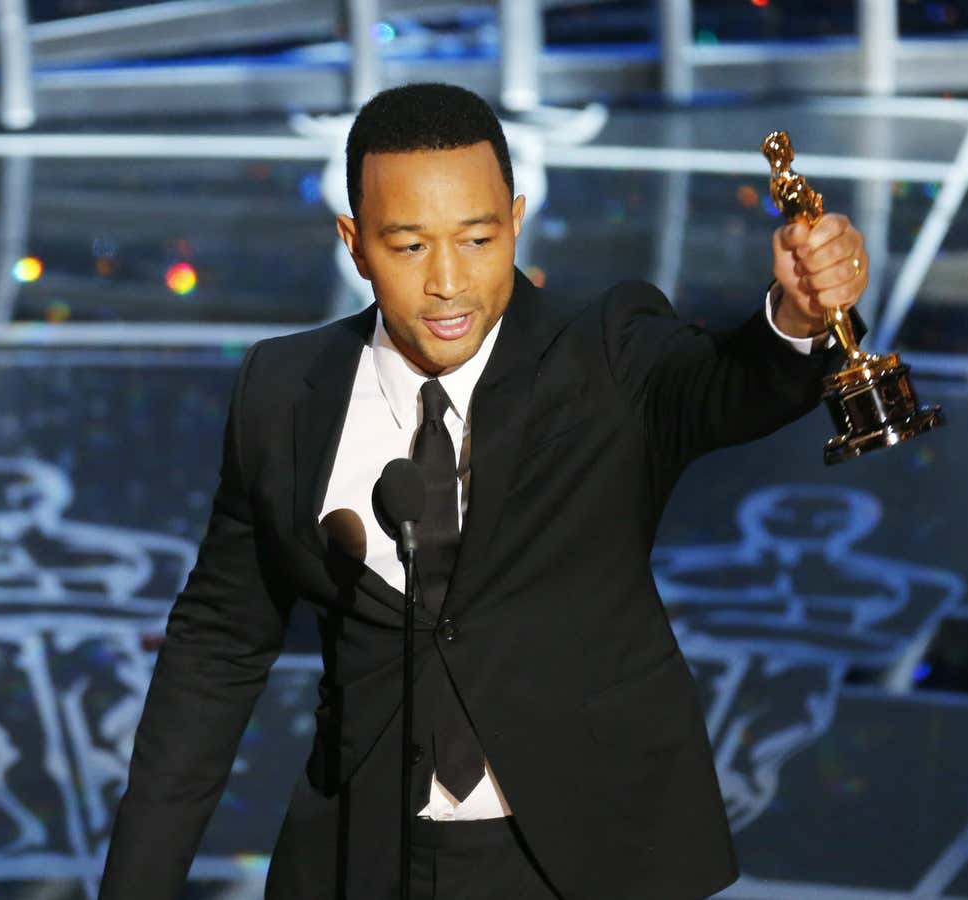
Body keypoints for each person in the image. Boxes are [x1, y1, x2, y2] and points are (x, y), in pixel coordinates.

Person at [99, 83, 870, 900]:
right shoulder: (281, 391)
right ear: (354, 244)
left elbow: (726, 385)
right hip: (362, 857)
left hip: (585, 862)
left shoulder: (605, 351)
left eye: (477, 238)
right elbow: (218, 644)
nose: (448, 282)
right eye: (409, 247)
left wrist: (795, 316)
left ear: (517, 218)